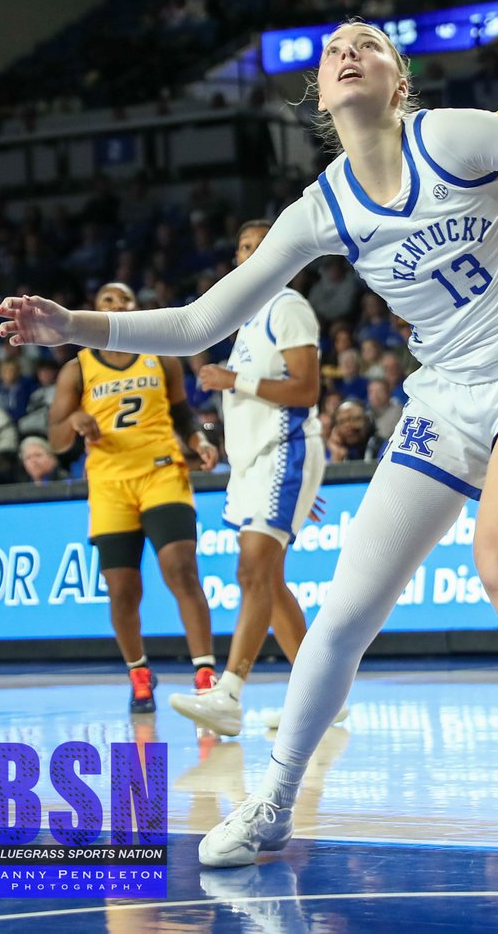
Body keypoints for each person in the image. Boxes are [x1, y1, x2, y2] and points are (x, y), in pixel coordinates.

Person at [0, 20, 498, 877]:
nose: (348, 52)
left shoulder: (452, 135)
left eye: (370, 44)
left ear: (400, 80)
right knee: (346, 612)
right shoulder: (323, 208)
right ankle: (273, 801)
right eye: (333, 50)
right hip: (448, 393)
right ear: (319, 94)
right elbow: (204, 320)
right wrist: (69, 325)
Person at [167, 221, 327, 738]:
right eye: (243, 247)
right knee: (270, 583)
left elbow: (305, 391)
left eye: (262, 246)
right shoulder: (247, 318)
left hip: (285, 454)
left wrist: (233, 380)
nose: (252, 254)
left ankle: (229, 693)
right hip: (260, 467)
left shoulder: (287, 306)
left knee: (252, 573)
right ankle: (318, 701)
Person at [45, 282, 219, 714]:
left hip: (161, 472)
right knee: (123, 590)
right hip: (109, 485)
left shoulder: (160, 354)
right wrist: (75, 420)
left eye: (124, 299)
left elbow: (181, 412)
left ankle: (205, 674)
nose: (117, 305)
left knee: (181, 570)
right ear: (95, 308)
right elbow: (55, 439)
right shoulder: (78, 368)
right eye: (108, 299)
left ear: (136, 308)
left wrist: (198, 438)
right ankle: (139, 673)